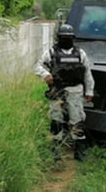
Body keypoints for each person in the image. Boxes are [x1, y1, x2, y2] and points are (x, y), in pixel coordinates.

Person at [35, 24, 95, 161]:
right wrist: (45, 75)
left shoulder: (80, 53)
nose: (66, 40)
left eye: (68, 37)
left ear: (73, 38)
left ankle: (79, 151)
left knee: (77, 120)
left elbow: (87, 74)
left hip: (75, 91)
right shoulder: (50, 53)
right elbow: (37, 66)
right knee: (56, 120)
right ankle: (55, 150)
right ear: (59, 38)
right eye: (63, 37)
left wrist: (89, 91)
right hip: (57, 90)